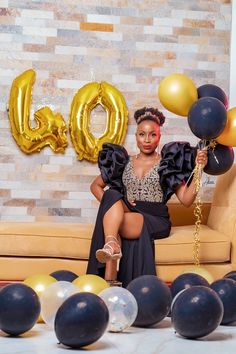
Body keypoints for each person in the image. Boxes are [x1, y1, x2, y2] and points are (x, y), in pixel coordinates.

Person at [86, 107, 208, 287]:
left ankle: (109, 280)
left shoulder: (166, 164)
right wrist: (120, 204)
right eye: (142, 134)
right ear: (136, 136)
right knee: (111, 194)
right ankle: (111, 245)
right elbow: (95, 186)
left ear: (159, 137)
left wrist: (199, 169)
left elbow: (186, 199)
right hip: (129, 210)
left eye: (153, 135)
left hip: (155, 218)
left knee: (114, 220)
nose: (147, 140)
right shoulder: (122, 161)